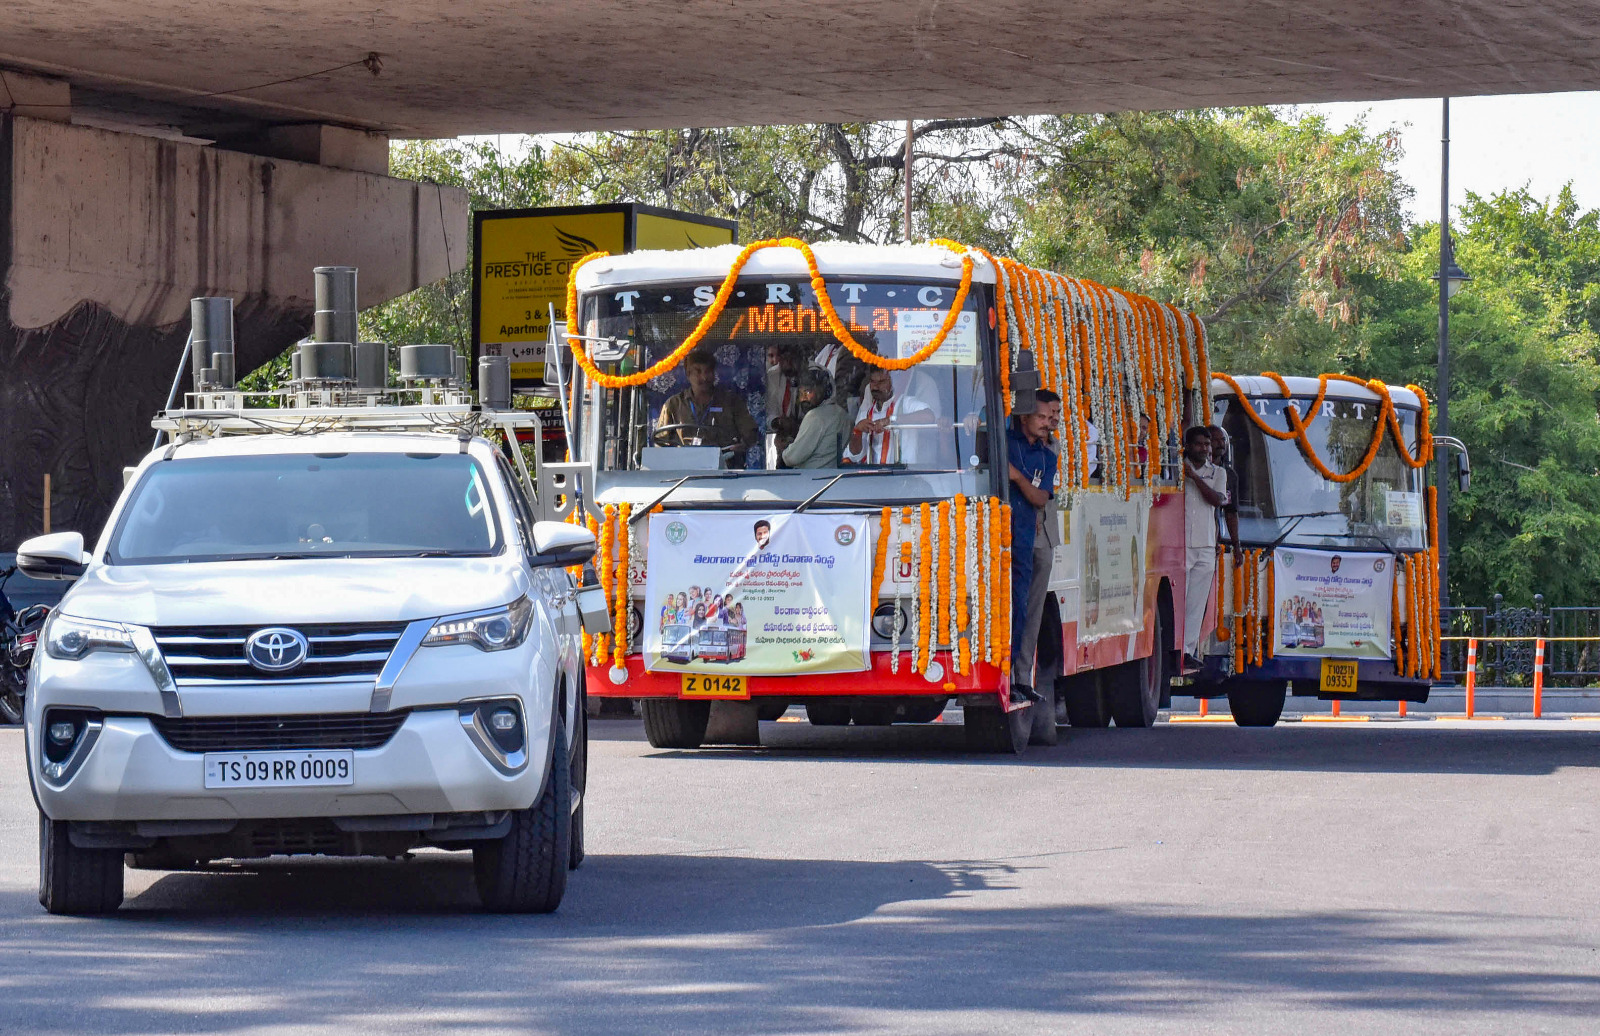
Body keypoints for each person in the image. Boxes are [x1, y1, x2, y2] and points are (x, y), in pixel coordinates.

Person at [1006, 394, 1057, 705]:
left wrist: (1017, 478)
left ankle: (1017, 677)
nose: (1047, 423)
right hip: (997, 538)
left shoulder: (1047, 456)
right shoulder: (1003, 442)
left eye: (1049, 418)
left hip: (1024, 540)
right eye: (1041, 417)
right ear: (1023, 417)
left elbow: (1040, 498)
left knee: (1020, 610)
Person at [656, 348, 758, 462]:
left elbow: (750, 432)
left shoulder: (731, 401)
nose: (704, 378)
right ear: (688, 374)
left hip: (723, 463)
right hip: (684, 464)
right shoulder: (673, 404)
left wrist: (742, 445)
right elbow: (661, 442)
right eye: (698, 372)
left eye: (708, 371)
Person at [1182, 425, 1229, 665]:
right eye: (1199, 444)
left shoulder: (1218, 473)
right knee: (1180, 600)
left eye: (1207, 444)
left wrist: (1194, 478)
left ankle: (1187, 652)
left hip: (1206, 544)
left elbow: (1217, 500)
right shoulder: (1177, 468)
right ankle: (1175, 648)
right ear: (1188, 446)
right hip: (1181, 545)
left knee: (1196, 602)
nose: (1205, 448)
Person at [843, 368, 933, 465]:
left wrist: (891, 420)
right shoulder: (865, 414)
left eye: (881, 382)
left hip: (904, 474)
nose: (875, 387)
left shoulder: (906, 403)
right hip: (873, 476)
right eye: (873, 382)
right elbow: (854, 456)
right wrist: (857, 432)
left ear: (892, 382)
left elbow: (929, 416)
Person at [781, 368, 851, 469]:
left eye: (808, 392)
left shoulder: (815, 416)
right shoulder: (842, 414)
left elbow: (792, 458)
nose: (803, 398)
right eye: (800, 393)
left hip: (812, 479)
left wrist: (784, 449)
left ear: (823, 391)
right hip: (834, 477)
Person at [1209, 425, 1242, 565]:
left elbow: (1230, 513)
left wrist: (1237, 546)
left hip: (1213, 542)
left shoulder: (1229, 475)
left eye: (1223, 440)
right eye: (1215, 440)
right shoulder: (1194, 469)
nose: (1221, 444)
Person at [765, 344, 803, 426]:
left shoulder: (813, 372)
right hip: (780, 431)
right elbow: (769, 410)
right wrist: (777, 422)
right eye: (783, 358)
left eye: (791, 358)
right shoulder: (772, 375)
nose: (787, 363)